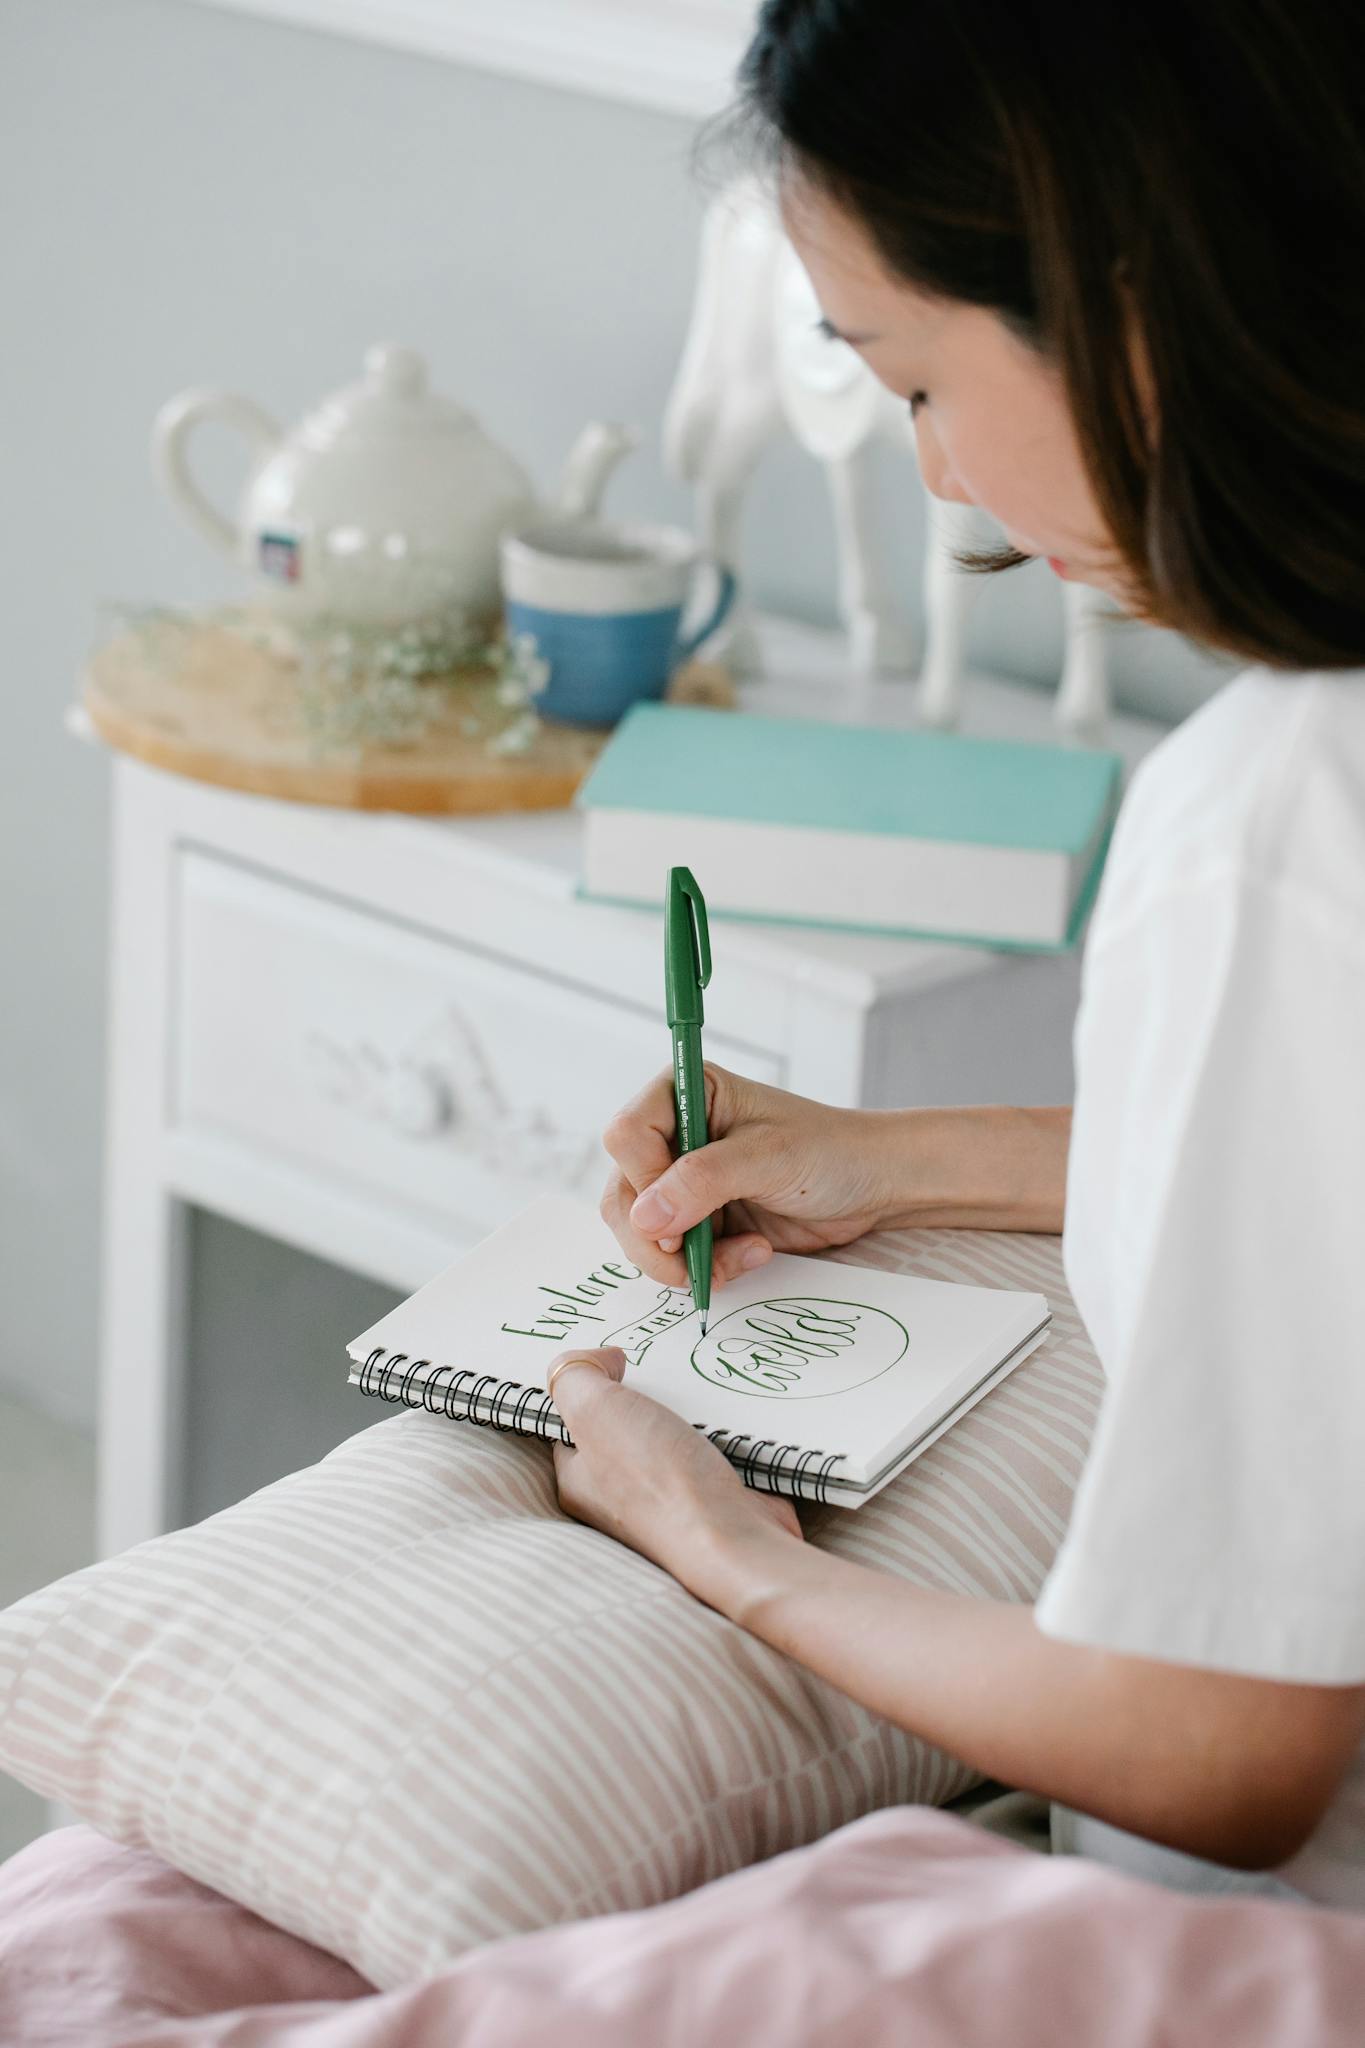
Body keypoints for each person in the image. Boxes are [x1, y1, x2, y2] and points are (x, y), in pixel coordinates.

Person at [547, 0, 1365, 1906]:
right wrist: (891, 1156)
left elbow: (1216, 1744)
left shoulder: (1272, 822)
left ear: (1127, 305)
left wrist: (728, 1549)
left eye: (907, 377)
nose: (926, 474)